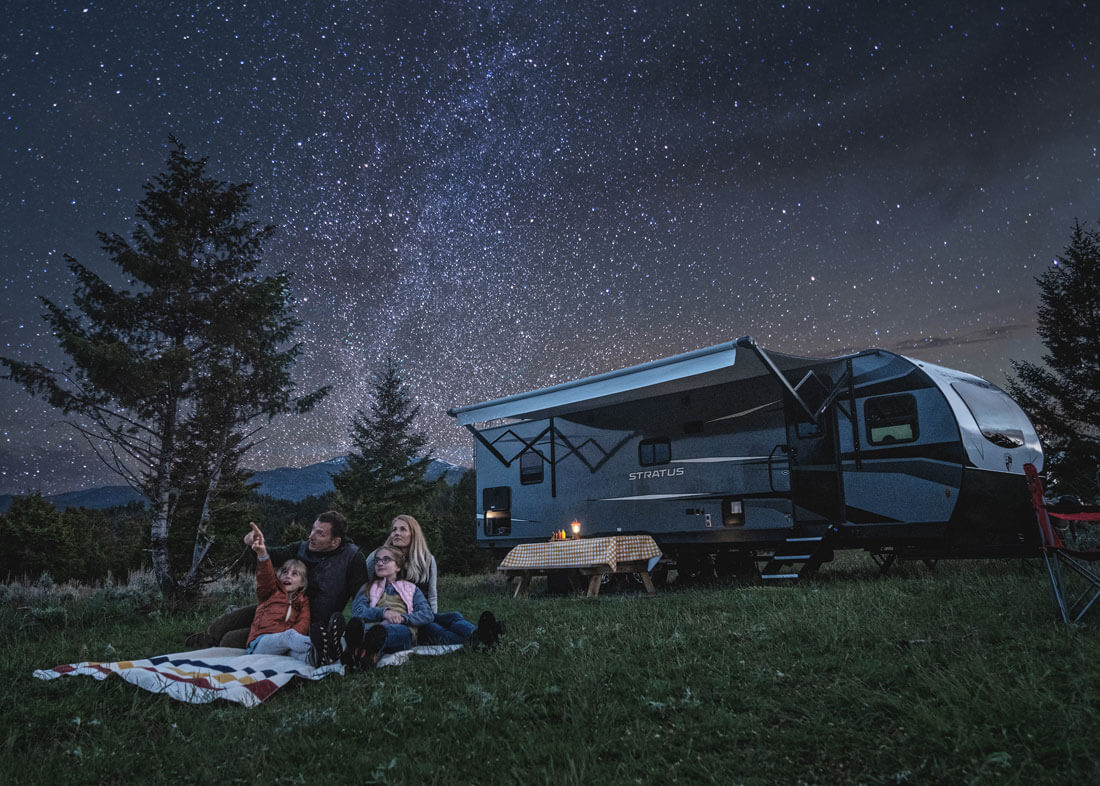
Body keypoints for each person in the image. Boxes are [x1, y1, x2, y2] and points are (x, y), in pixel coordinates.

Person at [186, 511, 367, 665]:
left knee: (230, 640)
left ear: (335, 541)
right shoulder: (301, 548)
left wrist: (357, 632)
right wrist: (256, 545)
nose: (311, 535)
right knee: (223, 625)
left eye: (320, 533)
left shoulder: (352, 558)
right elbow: (273, 556)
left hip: (307, 621)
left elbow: (361, 596)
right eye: (312, 529)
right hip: (279, 604)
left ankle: (219, 647)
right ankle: (203, 641)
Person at [361, 514, 503, 649]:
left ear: (414, 534)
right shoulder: (377, 558)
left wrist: (431, 617)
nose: (396, 533)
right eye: (394, 529)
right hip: (400, 618)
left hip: (423, 614)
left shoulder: (426, 560)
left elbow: (432, 595)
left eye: (402, 529)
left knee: (454, 616)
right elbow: (365, 589)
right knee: (436, 629)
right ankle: (480, 639)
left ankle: (479, 634)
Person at [342, 545, 434, 669]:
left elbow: (427, 614)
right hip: (370, 626)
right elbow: (358, 612)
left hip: (401, 629)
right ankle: (362, 652)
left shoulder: (411, 589)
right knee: (358, 624)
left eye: (386, 559)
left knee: (388, 632)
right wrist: (383, 613)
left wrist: (403, 618)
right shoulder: (367, 588)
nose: (380, 563)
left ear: (398, 566)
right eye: (377, 560)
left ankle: (362, 650)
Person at [243, 522, 311, 662]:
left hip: (284, 648)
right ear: (279, 576)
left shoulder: (303, 601)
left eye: (294, 574)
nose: (288, 576)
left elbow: (303, 624)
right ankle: (320, 646)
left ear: (302, 583)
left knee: (301, 656)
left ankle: (330, 652)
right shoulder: (270, 591)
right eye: (285, 572)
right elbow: (265, 576)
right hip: (261, 643)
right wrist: (262, 554)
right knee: (290, 636)